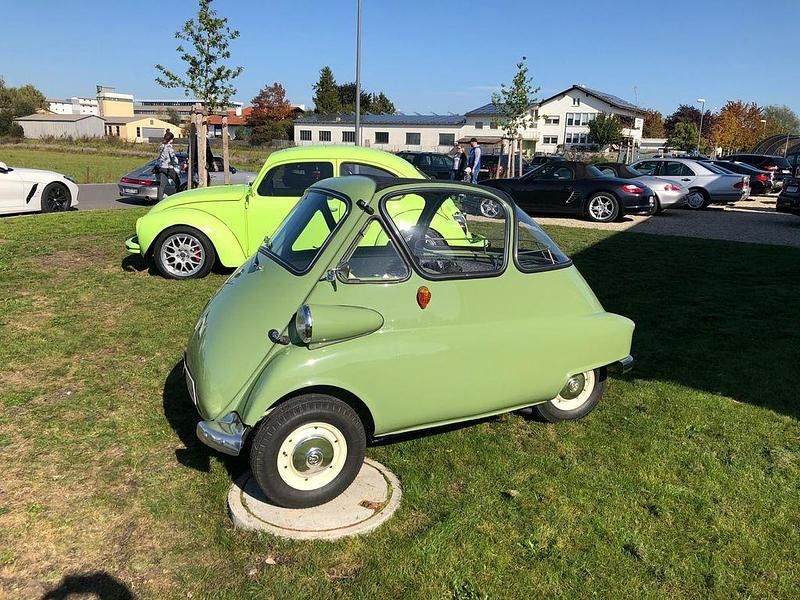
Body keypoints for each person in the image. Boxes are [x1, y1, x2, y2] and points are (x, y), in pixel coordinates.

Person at [156, 131, 180, 202]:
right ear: (171, 139)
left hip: (162, 167)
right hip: (169, 167)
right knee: (177, 182)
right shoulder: (169, 147)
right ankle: (177, 197)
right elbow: (173, 157)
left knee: (162, 184)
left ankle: (160, 199)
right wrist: (176, 163)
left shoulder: (161, 146)